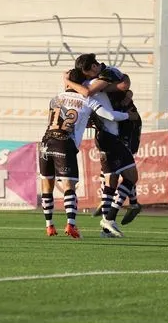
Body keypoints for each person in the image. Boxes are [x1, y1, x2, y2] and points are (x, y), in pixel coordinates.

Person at [39, 69, 129, 239]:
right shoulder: (87, 99)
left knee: (46, 186)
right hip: (65, 143)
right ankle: (71, 225)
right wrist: (127, 115)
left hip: (45, 142)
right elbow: (108, 115)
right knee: (69, 188)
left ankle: (49, 225)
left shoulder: (55, 98)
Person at [66, 54, 143, 235]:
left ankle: (108, 226)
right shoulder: (89, 87)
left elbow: (124, 85)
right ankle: (117, 213)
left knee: (115, 177)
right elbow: (120, 87)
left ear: (94, 68)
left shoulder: (103, 76)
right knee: (128, 175)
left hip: (119, 131)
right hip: (114, 133)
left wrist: (121, 89)